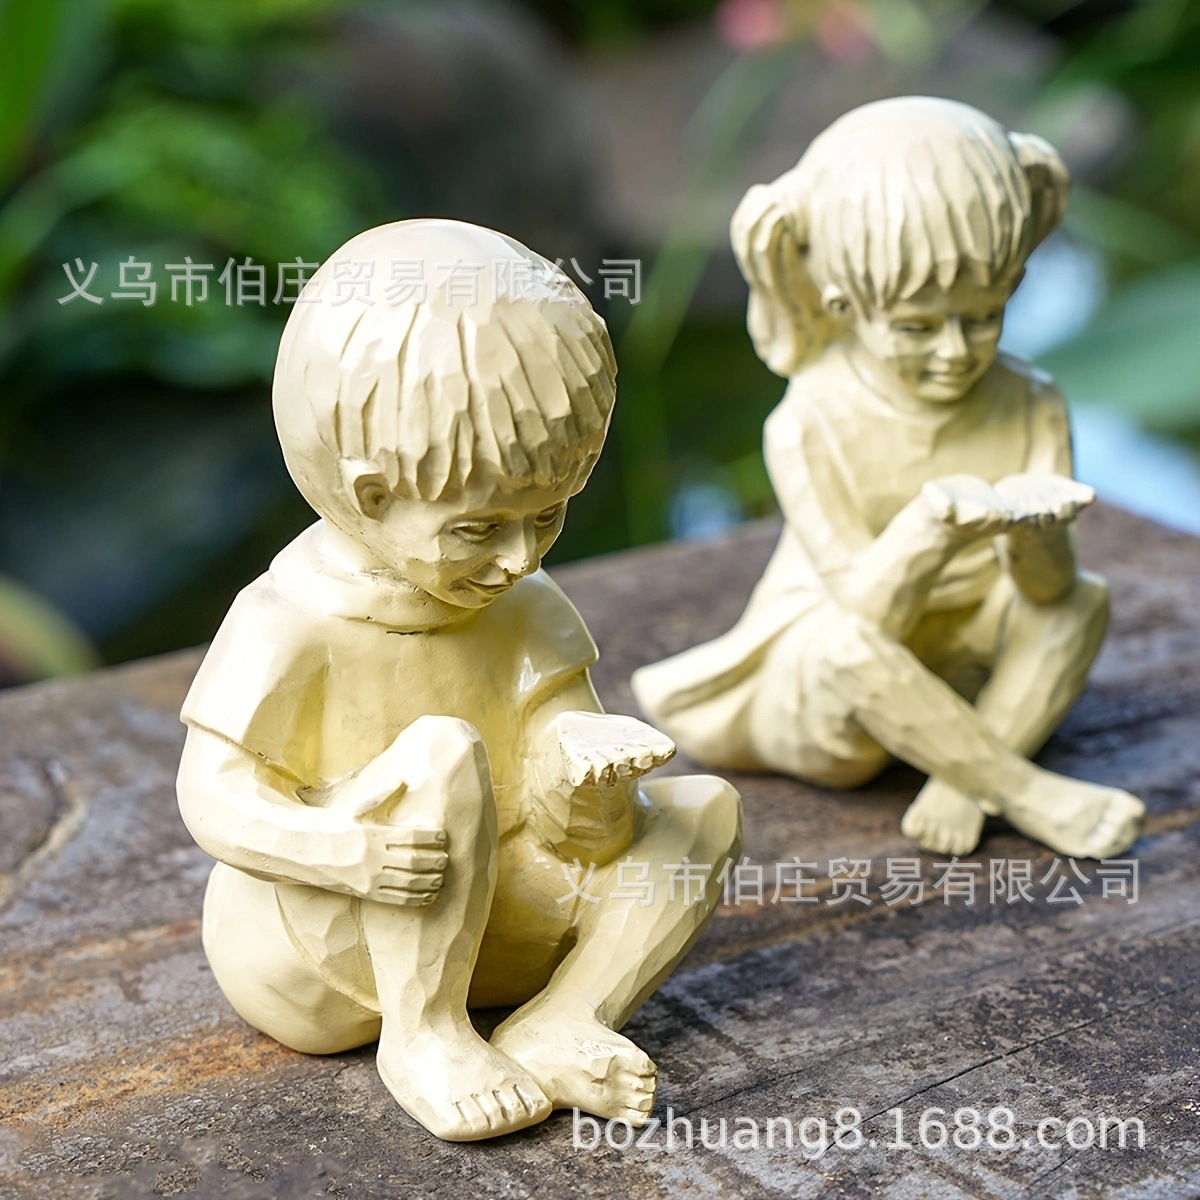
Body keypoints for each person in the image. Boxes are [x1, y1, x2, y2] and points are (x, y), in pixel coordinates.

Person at [176, 219, 741, 1141]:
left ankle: (565, 1017)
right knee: (438, 753)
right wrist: (347, 853)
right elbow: (214, 797)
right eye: (479, 528)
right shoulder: (292, 620)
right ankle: (425, 1036)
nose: (521, 558)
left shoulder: (525, 606)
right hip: (328, 938)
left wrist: (586, 787)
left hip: (495, 925)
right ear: (370, 496)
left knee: (702, 813)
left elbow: (577, 827)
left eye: (548, 515)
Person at [632, 97, 1142, 860]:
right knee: (847, 646)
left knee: (1082, 604)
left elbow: (1047, 594)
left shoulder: (1032, 402)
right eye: (916, 328)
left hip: (967, 674)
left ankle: (963, 783)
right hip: (841, 699)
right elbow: (863, 612)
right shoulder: (810, 422)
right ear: (843, 305)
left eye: (984, 315)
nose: (956, 351)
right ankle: (1026, 793)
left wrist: (1039, 535)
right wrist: (929, 528)